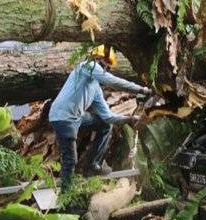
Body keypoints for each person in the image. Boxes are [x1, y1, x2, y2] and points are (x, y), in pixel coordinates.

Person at [49, 44, 152, 191]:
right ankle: (65, 197)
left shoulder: (95, 88)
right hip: (62, 118)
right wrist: (141, 89)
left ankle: (93, 164)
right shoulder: (87, 66)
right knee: (70, 160)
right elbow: (112, 81)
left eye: (109, 68)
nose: (107, 70)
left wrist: (129, 118)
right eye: (106, 65)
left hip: (77, 117)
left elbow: (108, 116)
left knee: (104, 125)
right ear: (98, 58)